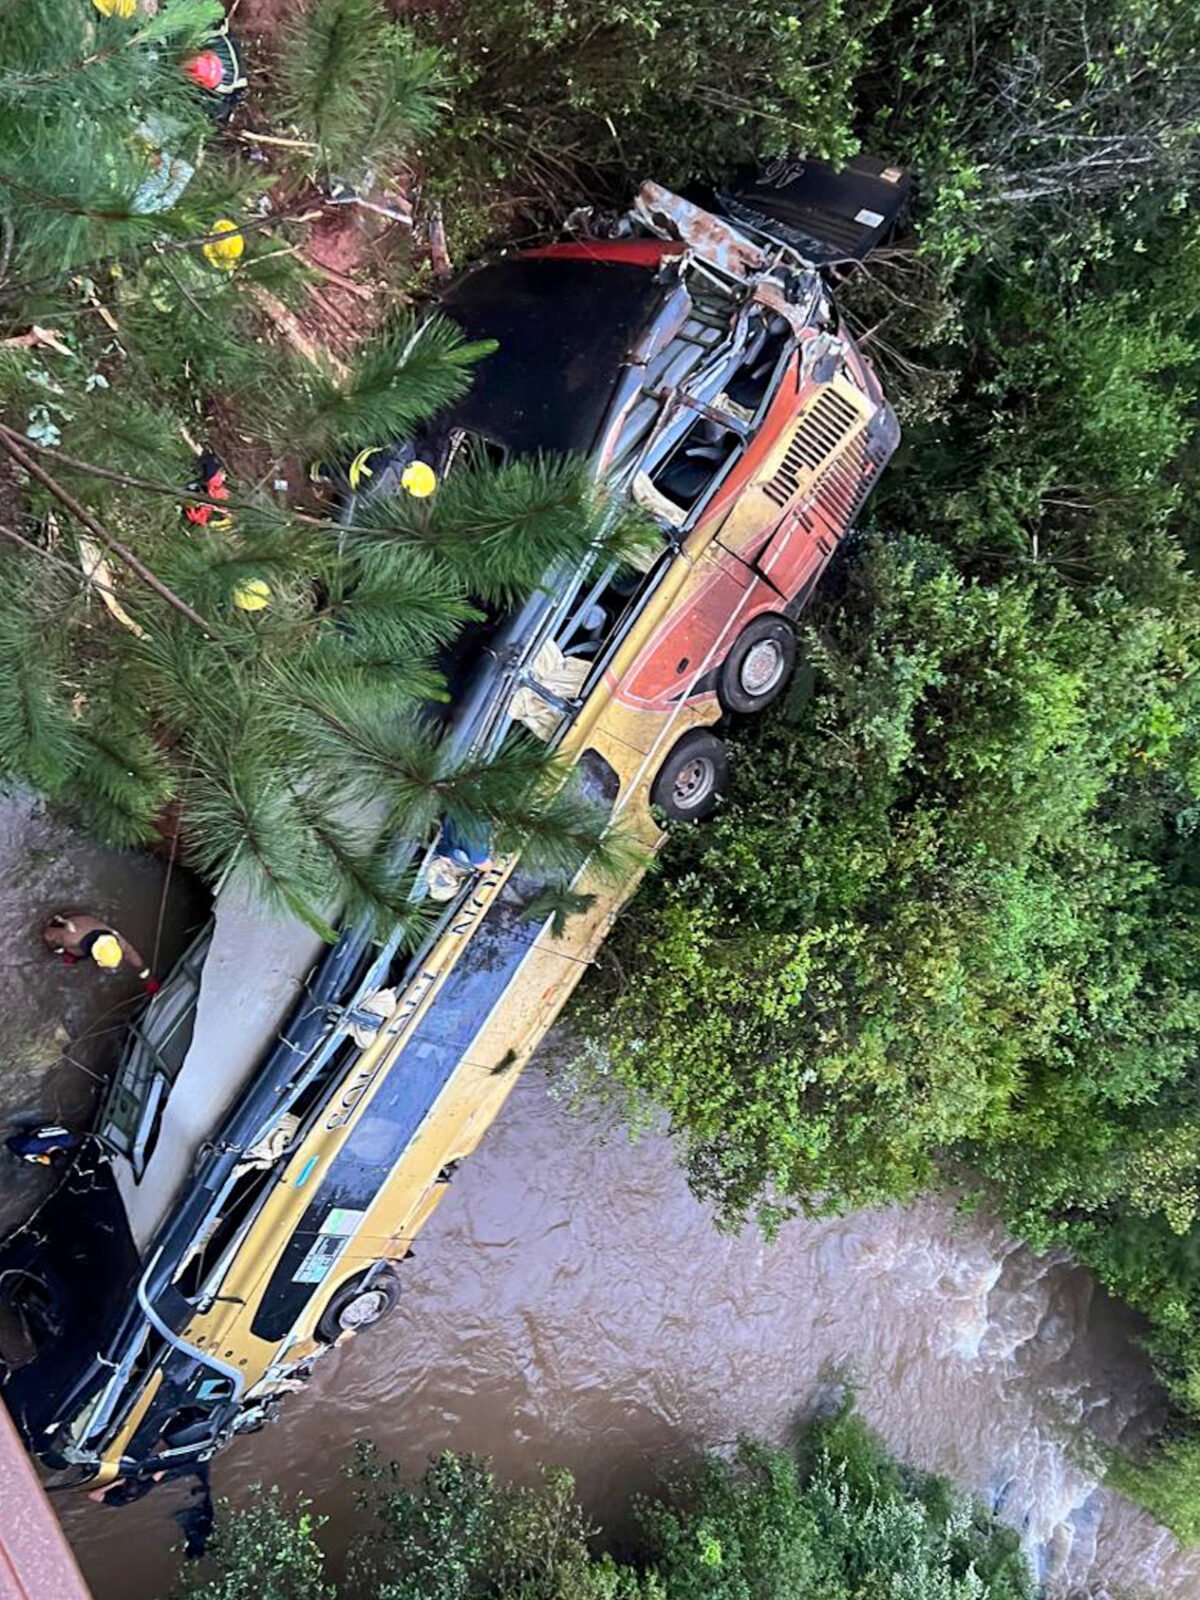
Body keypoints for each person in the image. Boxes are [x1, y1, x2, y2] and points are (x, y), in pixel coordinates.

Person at [42, 911, 159, 992]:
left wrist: (147, 977)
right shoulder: (69, 938)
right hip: (70, 927)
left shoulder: (116, 939)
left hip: (86, 927)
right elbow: (48, 934)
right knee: (71, 955)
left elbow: (131, 953)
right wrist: (57, 949)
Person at [5, 1124, 81, 1166]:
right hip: (28, 1137)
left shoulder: (69, 1139)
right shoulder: (31, 1147)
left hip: (43, 1128)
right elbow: (11, 1143)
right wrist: (37, 1158)